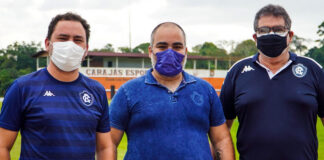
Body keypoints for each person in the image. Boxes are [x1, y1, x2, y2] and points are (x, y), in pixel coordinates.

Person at [109, 22, 235, 160]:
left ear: (185, 52)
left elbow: (221, 140)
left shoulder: (206, 90)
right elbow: (109, 143)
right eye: (162, 46)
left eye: (177, 47)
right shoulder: (128, 92)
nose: (170, 52)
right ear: (150, 51)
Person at [0, 12, 115, 160]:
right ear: (48, 44)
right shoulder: (22, 88)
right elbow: (2, 146)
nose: (70, 44)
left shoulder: (97, 91)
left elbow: (105, 147)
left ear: (86, 49)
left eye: (77, 40)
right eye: (63, 38)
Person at [220, 4, 324, 160]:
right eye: (264, 30)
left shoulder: (313, 69)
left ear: (290, 35)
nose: (271, 34)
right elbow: (220, 133)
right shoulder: (237, 71)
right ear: (255, 37)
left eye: (279, 29)